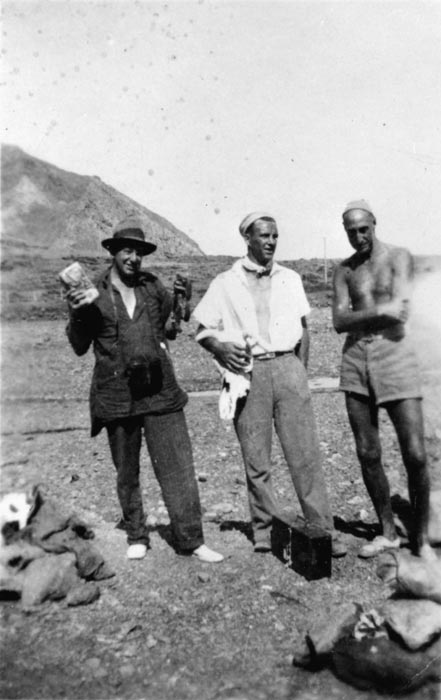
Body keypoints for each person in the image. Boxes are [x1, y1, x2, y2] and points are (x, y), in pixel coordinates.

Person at [65, 216, 223, 563]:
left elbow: (168, 329)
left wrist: (181, 307)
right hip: (116, 394)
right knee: (127, 470)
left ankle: (192, 539)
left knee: (178, 465)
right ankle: (137, 533)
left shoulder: (153, 288)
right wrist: (76, 313)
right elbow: (79, 345)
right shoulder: (94, 294)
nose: (133, 258)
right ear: (113, 253)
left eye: (138, 252)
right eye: (126, 251)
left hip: (160, 389)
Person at [193, 211, 346, 557]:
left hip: (288, 366)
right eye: (264, 235)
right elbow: (202, 329)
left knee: (305, 455)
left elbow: (304, 329)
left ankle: (323, 531)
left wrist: (299, 372)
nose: (271, 241)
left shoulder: (290, 278)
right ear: (247, 238)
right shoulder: (225, 282)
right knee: (256, 458)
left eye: (275, 236)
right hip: (249, 375)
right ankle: (264, 530)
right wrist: (220, 347)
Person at [332, 199, 435, 560]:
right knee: (367, 451)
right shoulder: (344, 271)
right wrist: (380, 310)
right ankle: (388, 532)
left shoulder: (398, 257)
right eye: (351, 231)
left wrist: (364, 313)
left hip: (395, 355)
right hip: (356, 358)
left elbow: (401, 311)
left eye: (364, 229)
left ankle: (420, 538)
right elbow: (338, 322)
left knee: (416, 454)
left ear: (374, 224)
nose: (359, 237)